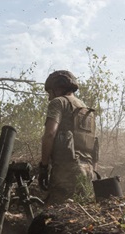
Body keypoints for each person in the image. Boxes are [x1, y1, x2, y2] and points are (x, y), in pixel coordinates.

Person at [38, 70, 98, 206]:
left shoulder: (59, 102)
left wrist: (43, 166)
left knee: (54, 216)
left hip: (66, 172)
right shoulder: (86, 110)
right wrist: (93, 171)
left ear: (58, 88)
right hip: (88, 170)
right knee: (78, 215)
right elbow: (94, 145)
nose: (49, 98)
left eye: (50, 93)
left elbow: (50, 134)